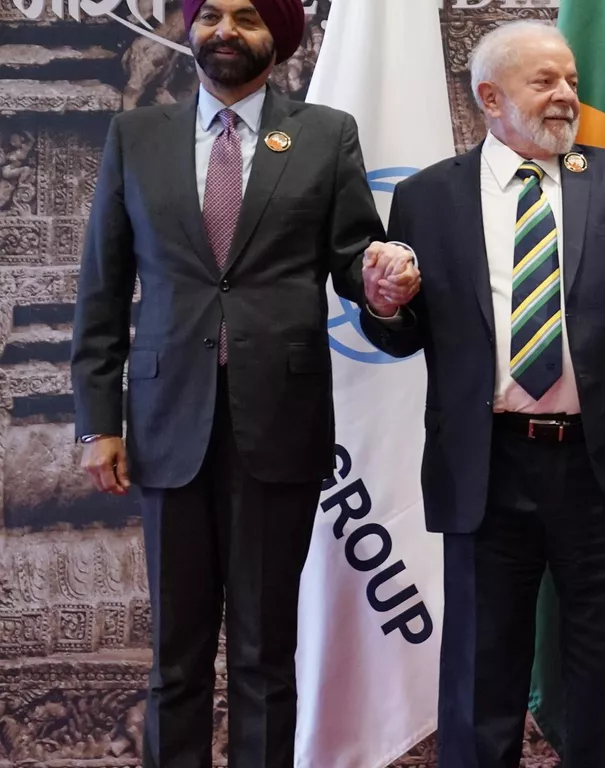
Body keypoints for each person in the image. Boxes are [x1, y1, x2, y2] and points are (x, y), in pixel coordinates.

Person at [357, 20, 605, 768]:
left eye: (571, 82)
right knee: (481, 684)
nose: (566, 97)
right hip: (487, 468)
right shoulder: (428, 197)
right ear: (490, 96)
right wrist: (385, 303)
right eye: (544, 82)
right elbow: (402, 332)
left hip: (598, 465)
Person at [69, 0, 411, 765]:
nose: (226, 30)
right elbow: (102, 290)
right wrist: (98, 422)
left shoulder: (326, 136)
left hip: (279, 425)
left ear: (279, 38)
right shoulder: (136, 138)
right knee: (176, 659)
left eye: (248, 17)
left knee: (263, 654)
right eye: (211, 14)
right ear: (189, 30)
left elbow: (354, 256)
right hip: (165, 424)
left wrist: (382, 285)